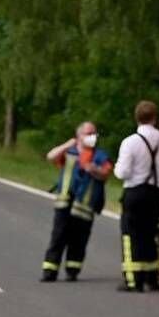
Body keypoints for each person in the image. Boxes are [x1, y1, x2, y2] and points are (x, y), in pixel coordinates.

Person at [115, 100, 159, 293]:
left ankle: (134, 280)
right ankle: (152, 277)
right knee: (152, 235)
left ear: (137, 118)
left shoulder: (130, 142)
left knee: (130, 234)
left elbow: (122, 172)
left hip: (135, 192)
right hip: (157, 194)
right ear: (155, 118)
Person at [40, 121, 112, 282]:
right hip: (65, 201)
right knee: (58, 236)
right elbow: (50, 156)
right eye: (88, 133)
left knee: (79, 239)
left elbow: (106, 174)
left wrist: (94, 169)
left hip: (85, 205)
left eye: (94, 133)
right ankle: (50, 270)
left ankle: (73, 270)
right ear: (79, 135)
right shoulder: (69, 152)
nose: (92, 137)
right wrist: (67, 144)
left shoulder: (100, 156)